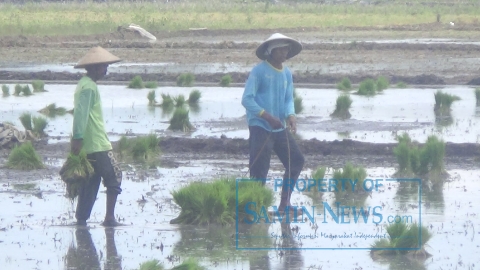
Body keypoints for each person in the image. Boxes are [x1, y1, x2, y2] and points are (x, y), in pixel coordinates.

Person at [241, 33, 305, 215]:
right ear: (271, 51)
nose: (285, 52)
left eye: (286, 49)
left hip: (279, 127)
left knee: (296, 161)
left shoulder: (286, 73)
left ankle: (285, 204)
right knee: (259, 169)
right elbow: (247, 100)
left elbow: (288, 99)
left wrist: (291, 115)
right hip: (260, 126)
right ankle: (255, 209)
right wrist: (266, 116)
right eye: (281, 49)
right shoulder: (259, 71)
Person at [71, 46, 123, 227]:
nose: (106, 70)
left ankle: (81, 220)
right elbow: (80, 114)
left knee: (90, 182)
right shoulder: (89, 88)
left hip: (88, 145)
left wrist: (78, 141)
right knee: (114, 178)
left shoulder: (84, 85)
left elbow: (79, 113)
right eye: (103, 67)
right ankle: (109, 218)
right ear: (93, 68)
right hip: (97, 144)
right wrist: (77, 138)